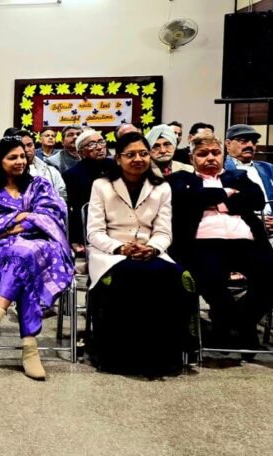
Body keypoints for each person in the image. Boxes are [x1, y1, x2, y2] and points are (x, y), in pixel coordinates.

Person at [168, 132, 273, 353]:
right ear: (191, 158)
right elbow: (183, 199)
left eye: (215, 153)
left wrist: (208, 198)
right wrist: (227, 194)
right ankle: (232, 327)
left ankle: (239, 322)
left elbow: (256, 199)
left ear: (223, 155)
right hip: (202, 243)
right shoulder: (182, 179)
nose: (210, 158)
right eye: (203, 154)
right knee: (209, 276)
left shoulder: (238, 176)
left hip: (246, 241)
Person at [85, 132, 191, 376]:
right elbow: (94, 232)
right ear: (118, 158)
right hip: (111, 252)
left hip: (149, 250)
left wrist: (152, 248)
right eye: (130, 154)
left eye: (143, 153)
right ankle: (119, 357)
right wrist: (120, 248)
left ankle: (160, 357)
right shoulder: (101, 185)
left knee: (171, 276)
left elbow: (164, 232)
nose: (138, 159)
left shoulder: (161, 187)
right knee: (129, 275)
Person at [0, 137, 74, 381]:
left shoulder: (39, 185)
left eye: (22, 157)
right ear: (0, 161)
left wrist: (10, 226)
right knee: (23, 259)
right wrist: (23, 217)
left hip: (43, 247)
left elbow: (51, 216)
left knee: (25, 254)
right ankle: (29, 348)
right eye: (12, 158)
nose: (20, 161)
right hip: (1, 250)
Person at [223, 124, 273, 250]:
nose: (250, 145)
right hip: (238, 230)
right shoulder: (221, 170)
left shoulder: (270, 169)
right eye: (243, 141)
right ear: (228, 144)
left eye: (254, 142)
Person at [62, 129, 115, 253]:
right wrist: (76, 239)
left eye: (101, 142)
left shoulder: (117, 167)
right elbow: (75, 210)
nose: (99, 147)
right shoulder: (72, 175)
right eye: (91, 144)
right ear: (81, 152)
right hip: (90, 226)